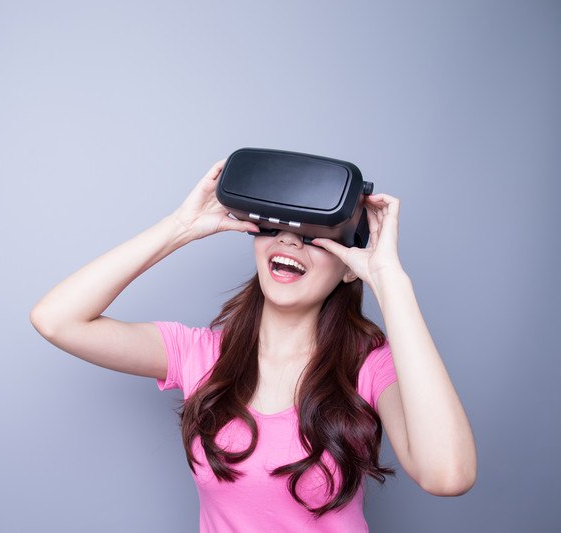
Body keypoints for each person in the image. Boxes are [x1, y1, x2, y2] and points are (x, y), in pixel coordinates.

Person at [29, 158, 477, 531]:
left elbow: (448, 475)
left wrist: (389, 279)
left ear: (347, 267)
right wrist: (180, 226)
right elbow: (56, 320)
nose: (288, 240)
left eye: (313, 236)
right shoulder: (201, 355)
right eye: (276, 228)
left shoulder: (369, 369)